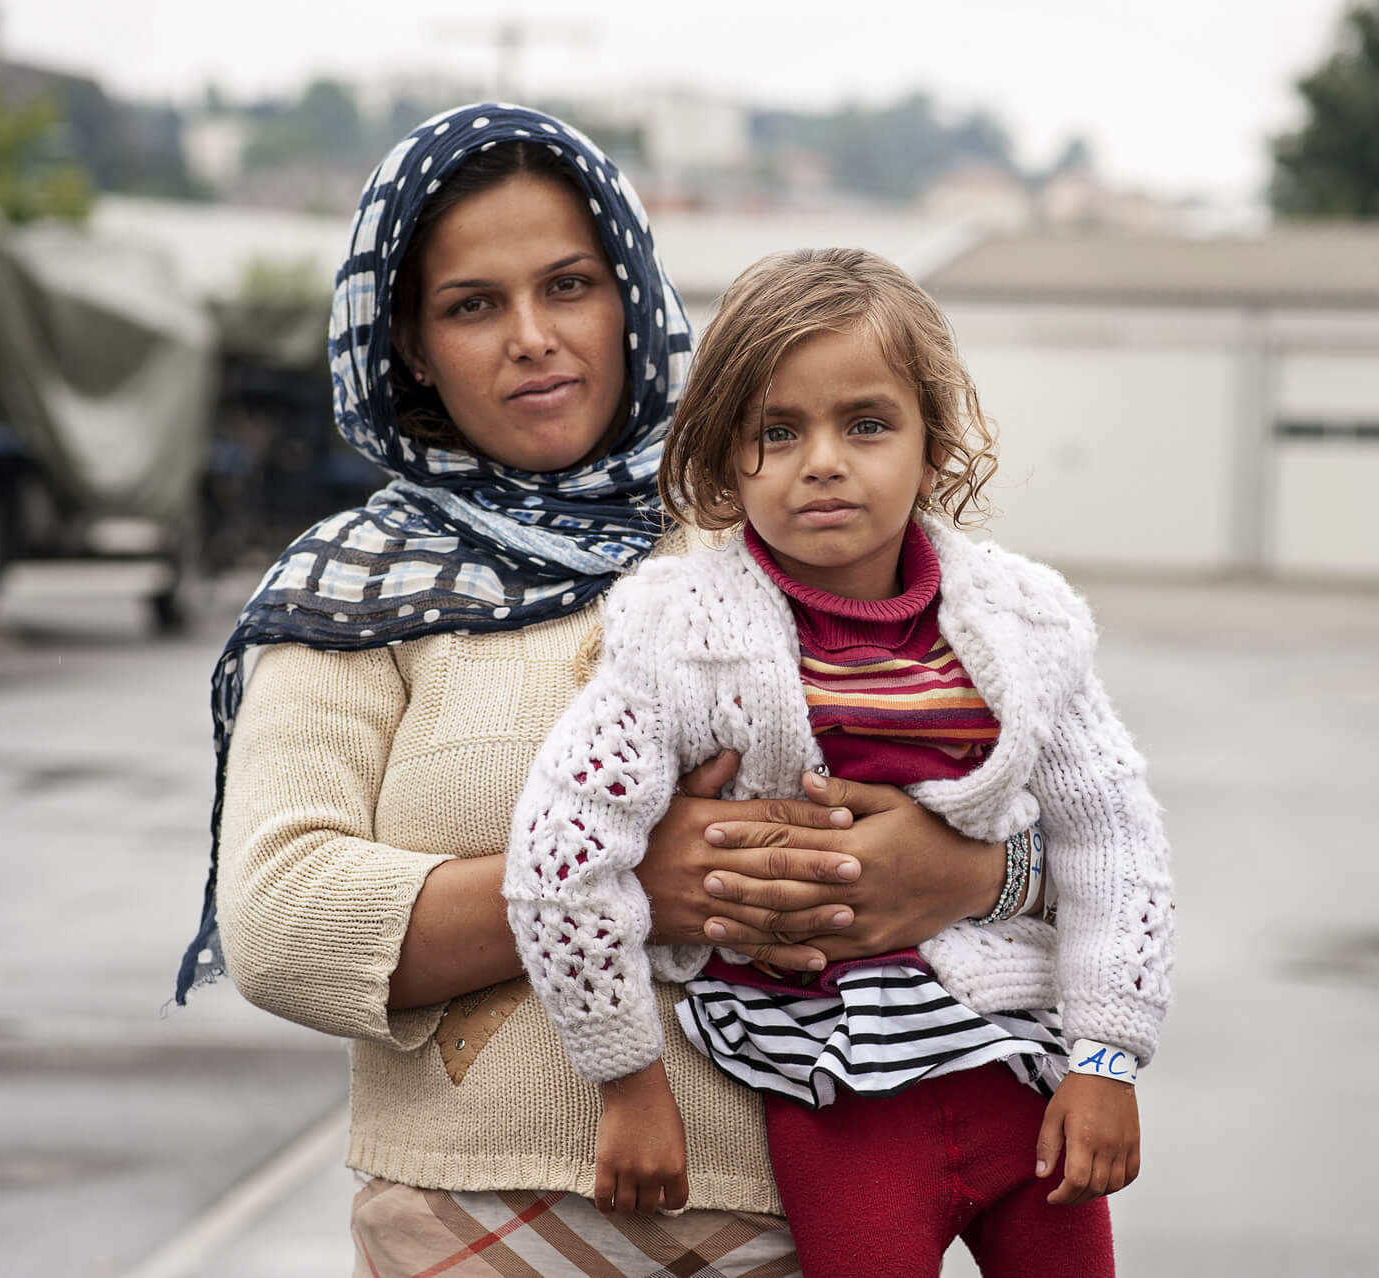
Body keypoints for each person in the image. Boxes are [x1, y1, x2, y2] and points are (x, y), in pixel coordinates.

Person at [174, 107, 1023, 1277]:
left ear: (630, 293)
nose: (532, 337)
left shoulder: (770, 521)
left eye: (569, 285)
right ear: (411, 345)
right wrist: (628, 879)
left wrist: (972, 873)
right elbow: (280, 919)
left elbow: (1057, 800)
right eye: (473, 304)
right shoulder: (351, 586)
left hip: (800, 1212)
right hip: (465, 1226)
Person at [502, 248, 1176, 1278]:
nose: (823, 459)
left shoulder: (1026, 620)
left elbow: (1113, 837)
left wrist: (1105, 1057)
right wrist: (626, 1077)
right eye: (778, 431)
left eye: (866, 422)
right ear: (728, 458)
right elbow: (561, 857)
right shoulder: (675, 633)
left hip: (1028, 1088)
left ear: (931, 443)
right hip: (839, 1108)